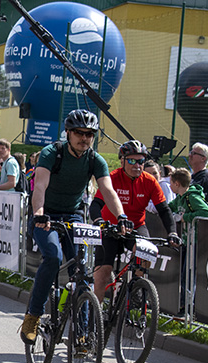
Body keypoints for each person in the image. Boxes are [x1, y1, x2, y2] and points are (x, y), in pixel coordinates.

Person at [20, 109, 129, 345]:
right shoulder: (52, 153)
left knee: (82, 273)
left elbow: (108, 190)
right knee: (52, 257)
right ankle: (33, 316)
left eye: (89, 134)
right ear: (68, 133)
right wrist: (39, 213)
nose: (84, 138)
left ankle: (82, 333)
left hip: (73, 215)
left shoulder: (94, 159)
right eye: (79, 133)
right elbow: (40, 186)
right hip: (46, 214)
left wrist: (121, 216)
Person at [89, 140, 179, 303]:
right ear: (122, 160)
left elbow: (164, 210)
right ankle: (96, 318)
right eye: (132, 160)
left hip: (136, 226)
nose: (137, 165)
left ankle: (136, 288)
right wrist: (99, 221)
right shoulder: (113, 178)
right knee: (103, 273)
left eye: (141, 161)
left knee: (145, 253)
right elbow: (95, 205)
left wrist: (172, 232)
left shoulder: (149, 181)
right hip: (111, 228)